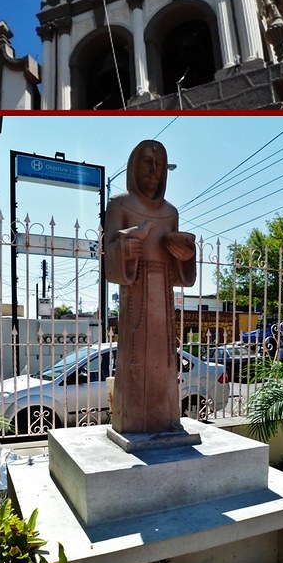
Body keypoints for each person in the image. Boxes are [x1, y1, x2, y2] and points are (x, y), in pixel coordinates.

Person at [105, 140, 196, 435]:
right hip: (136, 293)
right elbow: (110, 256)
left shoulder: (170, 213)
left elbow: (181, 273)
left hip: (164, 296)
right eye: (147, 162)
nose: (154, 171)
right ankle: (132, 423)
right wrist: (129, 243)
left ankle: (166, 419)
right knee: (135, 360)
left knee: (165, 360)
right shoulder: (120, 204)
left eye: (160, 165)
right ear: (134, 166)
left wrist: (185, 255)